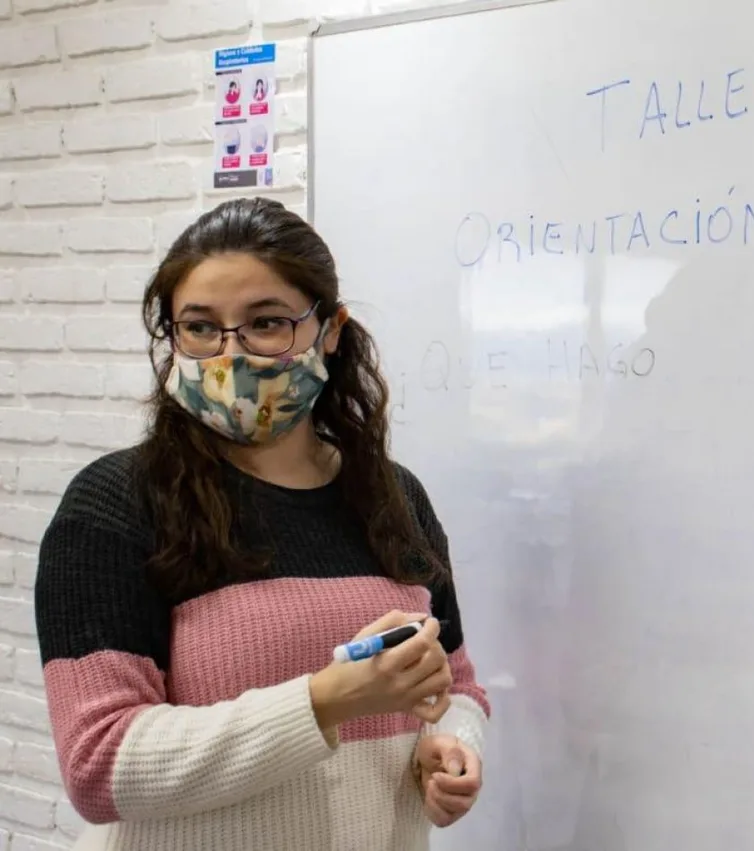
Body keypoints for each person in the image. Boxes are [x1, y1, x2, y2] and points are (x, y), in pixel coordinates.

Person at [34, 197, 490, 850]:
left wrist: (448, 745)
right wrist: (325, 700)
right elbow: (99, 762)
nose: (230, 356)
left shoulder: (393, 497)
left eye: (266, 322)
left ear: (330, 329)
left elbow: (457, 681)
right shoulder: (116, 504)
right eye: (199, 327)